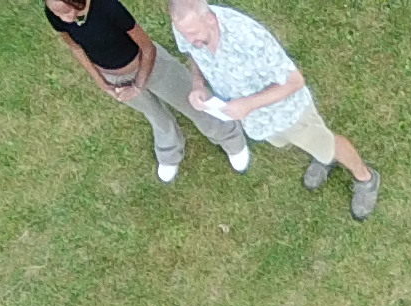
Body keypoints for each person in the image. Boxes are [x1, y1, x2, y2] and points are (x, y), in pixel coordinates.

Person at [164, 0, 370, 214]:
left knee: (327, 143)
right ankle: (322, 158)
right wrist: (198, 84)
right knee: (303, 145)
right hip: (256, 122)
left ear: (209, 19)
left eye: (192, 33)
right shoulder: (187, 28)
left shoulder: (248, 37)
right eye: (184, 34)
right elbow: (193, 53)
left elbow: (295, 81)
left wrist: (249, 104)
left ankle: (365, 177)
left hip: (288, 114)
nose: (188, 40)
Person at [43, 0, 243, 183]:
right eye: (57, 13)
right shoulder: (55, 14)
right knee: (154, 115)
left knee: (191, 101)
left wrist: (138, 85)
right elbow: (76, 48)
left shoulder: (107, 7)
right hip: (114, 78)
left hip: (151, 65)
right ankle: (169, 151)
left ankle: (231, 139)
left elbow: (147, 47)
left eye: (66, 12)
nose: (63, 19)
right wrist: (102, 83)